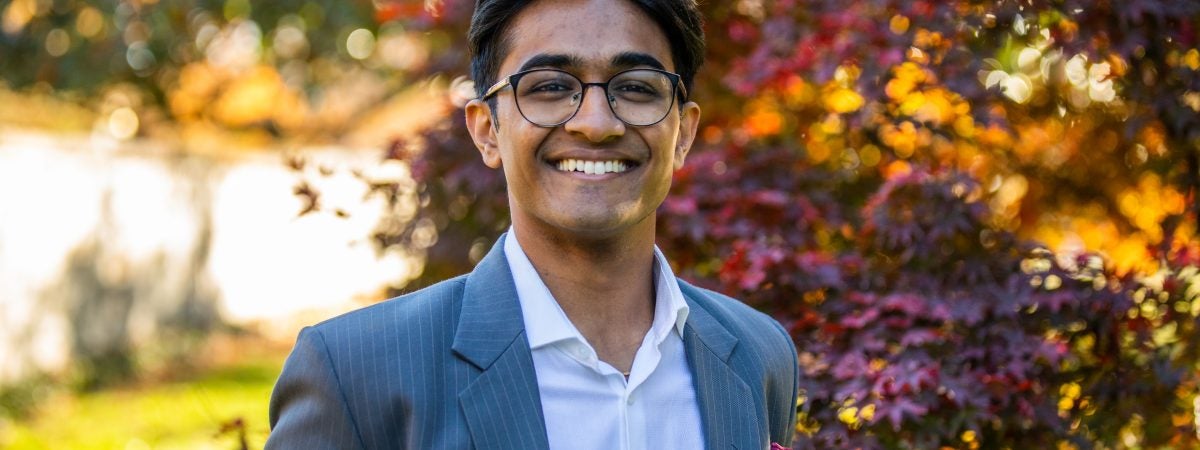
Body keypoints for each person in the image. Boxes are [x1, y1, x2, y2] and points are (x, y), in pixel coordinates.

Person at [266, 0, 799, 448]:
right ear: (486, 130)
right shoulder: (354, 373)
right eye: (548, 87)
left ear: (682, 132)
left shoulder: (758, 353)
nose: (595, 124)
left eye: (637, 87)